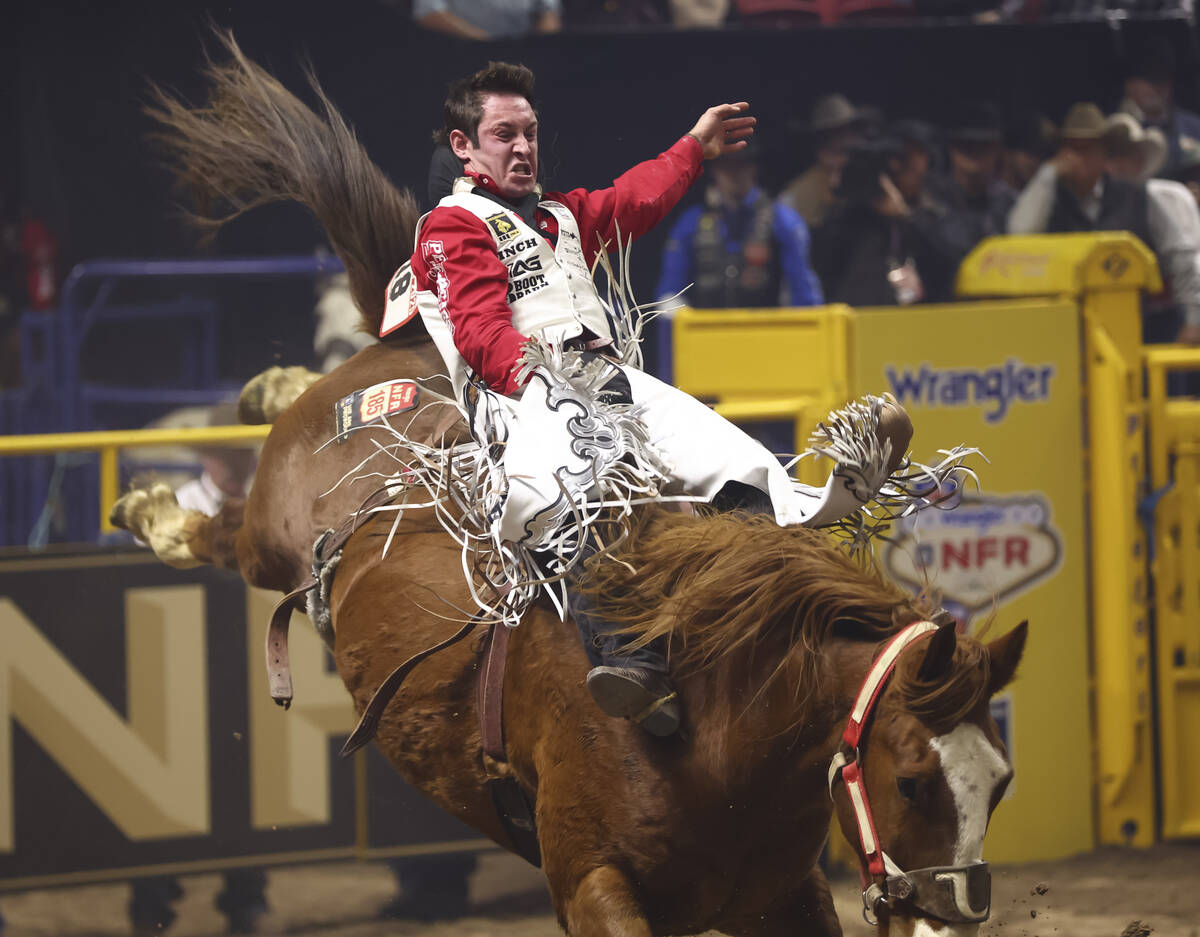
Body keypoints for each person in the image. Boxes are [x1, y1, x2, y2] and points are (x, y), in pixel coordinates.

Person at [387, 63, 918, 737]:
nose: (522, 147)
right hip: (523, 403)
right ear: (464, 146)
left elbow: (632, 199)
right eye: (503, 134)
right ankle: (627, 658)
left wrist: (693, 147)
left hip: (608, 382)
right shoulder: (450, 225)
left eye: (529, 132)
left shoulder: (560, 215)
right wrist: (545, 384)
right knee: (581, 485)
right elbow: (479, 328)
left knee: (732, 453)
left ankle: (802, 527)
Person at [1008, 102, 1200, 346]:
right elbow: (1018, 236)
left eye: (1088, 149)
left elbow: (1182, 256)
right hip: (1070, 337)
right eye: (1072, 149)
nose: (1079, 158)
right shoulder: (1050, 204)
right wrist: (1048, 174)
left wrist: (1194, 320)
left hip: (1143, 331)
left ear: (1103, 154)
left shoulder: (1140, 196)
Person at [654, 141, 823, 309]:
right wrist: (672, 310)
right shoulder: (690, 222)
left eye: (742, 163)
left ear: (754, 167)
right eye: (726, 165)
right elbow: (670, 288)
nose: (734, 173)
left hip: (765, 330)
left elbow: (803, 289)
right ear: (714, 169)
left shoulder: (783, 220)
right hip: (707, 330)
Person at [812, 137, 952, 306]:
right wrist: (839, 200)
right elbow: (821, 265)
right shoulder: (846, 220)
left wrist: (904, 216)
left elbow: (944, 268)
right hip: (855, 316)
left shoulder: (927, 216)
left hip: (909, 319)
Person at [919, 102, 1016, 277]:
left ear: (998, 149)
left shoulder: (1009, 203)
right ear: (951, 148)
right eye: (966, 145)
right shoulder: (929, 200)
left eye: (984, 145)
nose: (975, 152)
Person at [779, 94, 866, 230]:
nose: (847, 138)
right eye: (837, 133)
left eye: (850, 130)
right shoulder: (793, 197)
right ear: (821, 139)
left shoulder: (871, 180)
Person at [1117, 34, 1200, 177]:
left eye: (1163, 78)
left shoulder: (1193, 127)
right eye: (1148, 79)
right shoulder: (1116, 130)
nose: (1156, 87)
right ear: (1129, 84)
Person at [412, 0, 562, 39]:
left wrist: (541, 50)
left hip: (522, 66)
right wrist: (489, 48)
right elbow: (429, 14)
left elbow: (548, 15)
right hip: (461, 54)